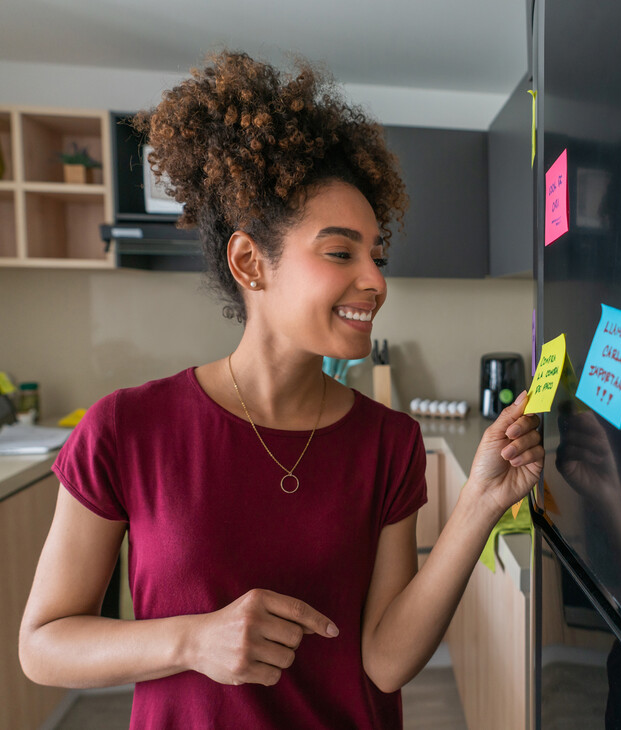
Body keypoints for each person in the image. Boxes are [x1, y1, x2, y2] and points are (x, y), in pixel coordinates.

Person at [19, 51, 544, 729]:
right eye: (339, 252)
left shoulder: (389, 442)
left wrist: (479, 502)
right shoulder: (126, 428)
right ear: (249, 262)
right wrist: (190, 638)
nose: (376, 280)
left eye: (376, 254)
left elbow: (384, 661)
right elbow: (43, 645)